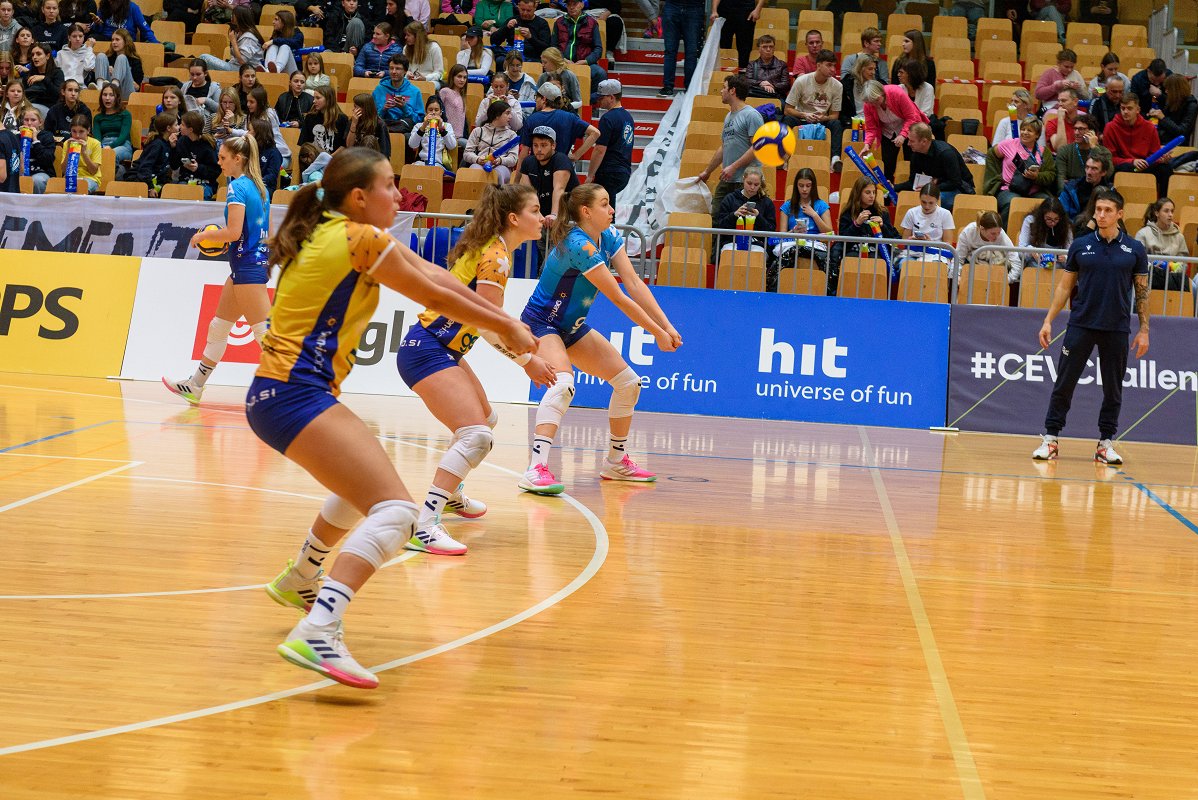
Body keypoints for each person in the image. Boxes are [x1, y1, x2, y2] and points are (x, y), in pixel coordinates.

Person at [252, 148, 535, 689]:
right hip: (293, 394)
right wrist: (509, 328)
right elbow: (431, 292)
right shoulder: (359, 239)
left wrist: (500, 320)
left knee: (359, 488)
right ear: (360, 197)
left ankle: (302, 575)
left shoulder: (335, 231)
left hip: (280, 393)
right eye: (388, 185)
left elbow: (435, 274)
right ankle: (319, 628)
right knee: (398, 513)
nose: (399, 195)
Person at [388, 184, 557, 554]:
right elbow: (487, 324)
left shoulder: (493, 249)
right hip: (427, 348)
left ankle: (450, 496)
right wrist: (527, 362)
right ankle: (425, 524)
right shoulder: (497, 257)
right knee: (476, 436)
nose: (542, 217)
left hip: (442, 347)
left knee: (486, 419)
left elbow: (488, 319)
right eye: (534, 210)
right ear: (514, 219)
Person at [517, 182, 681, 494]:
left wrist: (667, 326)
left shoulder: (608, 236)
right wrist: (657, 333)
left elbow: (634, 283)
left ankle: (615, 462)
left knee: (629, 383)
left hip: (571, 328)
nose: (612, 210)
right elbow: (618, 298)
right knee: (563, 385)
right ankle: (535, 468)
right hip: (541, 324)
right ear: (586, 211)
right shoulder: (579, 245)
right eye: (604, 204)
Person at [1033, 188, 1149, 465]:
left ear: (1120, 214)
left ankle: (1105, 443)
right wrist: (1048, 320)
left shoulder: (1135, 249)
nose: (1102, 215)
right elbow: (1065, 287)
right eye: (1098, 209)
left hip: (1116, 328)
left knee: (1113, 389)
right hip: (1081, 324)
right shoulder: (1080, 245)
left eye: (1108, 210)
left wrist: (1144, 330)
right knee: (1064, 383)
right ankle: (1051, 439)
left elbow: (1142, 293)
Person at [163, 136, 270, 404]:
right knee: (219, 328)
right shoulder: (258, 186)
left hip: (247, 266)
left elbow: (233, 232)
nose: (218, 162)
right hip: (248, 264)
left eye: (223, 158)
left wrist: (204, 236)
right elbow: (246, 231)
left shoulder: (237, 187)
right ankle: (195, 385)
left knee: (266, 337)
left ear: (238, 159)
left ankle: (300, 391)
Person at [698, 74, 763, 215]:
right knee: (716, 218)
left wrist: (733, 167)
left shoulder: (752, 115)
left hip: (746, 181)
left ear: (732, 90)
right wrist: (707, 171)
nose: (721, 91)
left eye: (724, 87)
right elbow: (724, 147)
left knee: (742, 220)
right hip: (728, 178)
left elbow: (757, 147)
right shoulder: (728, 116)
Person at [830, 176, 900, 296]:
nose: (872, 196)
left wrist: (883, 226)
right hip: (853, 250)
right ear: (858, 193)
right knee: (851, 262)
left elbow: (895, 238)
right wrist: (856, 224)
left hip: (876, 251)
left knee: (877, 264)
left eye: (874, 192)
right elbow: (843, 239)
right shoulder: (848, 212)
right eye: (867, 192)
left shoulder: (882, 212)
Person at [983, 114, 1056, 222]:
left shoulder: (1044, 152)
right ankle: (1005, 231)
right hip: (1009, 189)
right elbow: (991, 154)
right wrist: (997, 175)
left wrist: (1037, 176)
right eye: (1023, 129)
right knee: (1013, 203)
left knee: (1049, 205)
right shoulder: (1008, 144)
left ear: (1037, 135)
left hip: (1034, 192)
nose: (1025, 132)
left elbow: (1051, 175)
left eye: (1029, 130)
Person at [771, 166, 831, 290]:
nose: (804, 189)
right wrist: (793, 231)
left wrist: (814, 215)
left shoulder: (821, 205)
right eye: (801, 185)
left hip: (815, 243)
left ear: (813, 186)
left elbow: (830, 232)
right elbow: (782, 235)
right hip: (793, 242)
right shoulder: (787, 206)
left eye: (808, 186)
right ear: (796, 186)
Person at [577, 79, 633, 211]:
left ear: (611, 97)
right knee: (607, 209)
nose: (599, 101)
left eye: (601, 98)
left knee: (604, 212)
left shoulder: (607, 118)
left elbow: (599, 150)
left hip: (609, 172)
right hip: (623, 171)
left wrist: (590, 175)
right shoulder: (628, 117)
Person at [782, 49, 842, 167]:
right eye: (829, 65)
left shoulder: (837, 86)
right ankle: (783, 156)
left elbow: (835, 115)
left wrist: (824, 118)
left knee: (836, 124)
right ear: (818, 65)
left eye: (834, 66)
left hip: (822, 121)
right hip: (802, 118)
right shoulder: (801, 81)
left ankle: (835, 159)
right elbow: (787, 110)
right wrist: (804, 115)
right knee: (788, 120)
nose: (833, 69)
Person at [1104, 92, 1172, 196]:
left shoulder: (1149, 127)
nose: (1125, 112)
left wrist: (1161, 159)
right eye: (1123, 108)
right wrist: (1132, 161)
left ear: (1138, 110)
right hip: (1124, 166)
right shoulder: (1110, 127)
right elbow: (1110, 158)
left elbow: (1154, 153)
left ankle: (1163, 202)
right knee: (1120, 168)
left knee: (1165, 169)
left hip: (1145, 165)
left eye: (1129, 108)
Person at [895, 122, 974, 210]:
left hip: (961, 188)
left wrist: (930, 188)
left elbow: (955, 182)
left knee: (929, 201)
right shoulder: (916, 154)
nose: (908, 144)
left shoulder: (946, 153)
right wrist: (894, 187)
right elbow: (913, 182)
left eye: (912, 141)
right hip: (937, 187)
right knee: (916, 199)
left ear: (924, 141)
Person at [515, 81, 595, 167]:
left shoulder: (531, 119)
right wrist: (576, 155)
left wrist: (518, 175)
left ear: (544, 99)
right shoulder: (570, 117)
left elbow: (524, 153)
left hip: (537, 171)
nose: (535, 100)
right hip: (562, 168)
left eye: (536, 97)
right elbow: (595, 133)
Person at [861, 79, 926, 182]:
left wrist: (903, 135)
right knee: (888, 165)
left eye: (876, 100)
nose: (874, 104)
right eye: (871, 102)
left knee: (912, 162)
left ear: (882, 93)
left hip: (909, 129)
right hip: (888, 133)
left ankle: (912, 187)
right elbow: (871, 128)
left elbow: (911, 117)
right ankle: (889, 189)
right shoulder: (869, 104)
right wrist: (867, 144)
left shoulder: (897, 93)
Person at [518, 125, 576, 224]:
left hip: (567, 213)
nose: (539, 149)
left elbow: (559, 189)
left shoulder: (561, 160)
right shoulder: (528, 162)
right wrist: (537, 216)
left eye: (544, 145)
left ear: (553, 145)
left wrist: (554, 215)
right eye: (535, 145)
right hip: (542, 212)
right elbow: (528, 193)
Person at [713, 164, 774, 253]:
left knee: (757, 254)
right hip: (731, 242)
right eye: (749, 183)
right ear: (743, 180)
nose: (752, 187)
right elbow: (720, 226)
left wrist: (758, 217)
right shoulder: (730, 198)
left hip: (757, 243)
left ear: (760, 184)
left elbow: (771, 230)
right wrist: (734, 215)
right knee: (729, 253)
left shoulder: (767, 202)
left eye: (756, 184)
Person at [1135, 197, 1191, 292]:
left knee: (1193, 288)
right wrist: (1155, 266)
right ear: (1157, 213)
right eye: (1166, 211)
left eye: (1172, 211)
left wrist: (1172, 267)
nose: (1170, 215)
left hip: (1173, 278)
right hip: (1150, 276)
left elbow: (1184, 263)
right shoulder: (1143, 234)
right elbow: (1138, 260)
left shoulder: (1179, 236)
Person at [955, 210, 1022, 289]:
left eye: (999, 232)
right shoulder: (968, 232)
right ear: (982, 229)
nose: (997, 236)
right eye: (993, 233)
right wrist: (957, 277)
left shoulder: (1001, 235)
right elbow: (958, 259)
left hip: (995, 275)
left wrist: (1008, 279)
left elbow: (1016, 261)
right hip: (972, 271)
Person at [899, 184, 955, 271]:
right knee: (904, 266)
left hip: (936, 254)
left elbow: (948, 244)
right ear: (920, 198)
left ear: (937, 200)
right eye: (923, 202)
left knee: (935, 269)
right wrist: (911, 240)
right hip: (913, 252)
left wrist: (931, 243)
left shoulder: (945, 214)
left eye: (931, 203)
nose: (927, 206)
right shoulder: (911, 212)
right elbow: (904, 241)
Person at [554, 0, 605, 90]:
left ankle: (590, 98)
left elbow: (598, 48)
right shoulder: (559, 22)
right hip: (562, 62)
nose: (571, 7)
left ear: (582, 5)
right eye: (569, 4)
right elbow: (553, 47)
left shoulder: (592, 23)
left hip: (585, 63)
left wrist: (586, 61)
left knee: (600, 73)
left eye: (575, 4)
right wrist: (563, 60)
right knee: (547, 71)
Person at [464, 99, 518, 183]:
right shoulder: (478, 131)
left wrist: (500, 160)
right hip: (480, 164)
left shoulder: (512, 135)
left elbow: (513, 159)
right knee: (474, 171)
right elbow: (467, 153)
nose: (510, 117)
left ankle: (498, 192)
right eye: (507, 113)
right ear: (497, 115)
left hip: (502, 166)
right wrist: (477, 159)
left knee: (497, 174)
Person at [657, 0, 702, 97]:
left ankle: (689, 87)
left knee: (691, 52)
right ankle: (668, 86)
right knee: (671, 51)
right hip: (673, 5)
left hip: (693, 6)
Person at [198, 6, 264, 72]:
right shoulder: (239, 32)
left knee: (204, 57)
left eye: (233, 14)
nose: (231, 16)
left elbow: (242, 61)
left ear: (239, 18)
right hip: (235, 65)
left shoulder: (249, 37)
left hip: (246, 70)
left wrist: (233, 41)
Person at [1018, 196, 1073, 275]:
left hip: (1058, 268)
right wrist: (1031, 251)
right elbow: (1021, 250)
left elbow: (1070, 254)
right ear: (1042, 216)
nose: (1052, 223)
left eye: (1056, 219)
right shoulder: (1030, 221)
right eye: (1048, 219)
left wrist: (1065, 258)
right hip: (1034, 266)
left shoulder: (1066, 226)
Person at [171, 110, 220, 198]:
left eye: (182, 125)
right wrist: (173, 148)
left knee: (201, 194)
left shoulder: (208, 144)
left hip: (205, 183)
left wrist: (198, 168)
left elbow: (215, 171)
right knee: (177, 195)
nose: (179, 127)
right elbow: (174, 165)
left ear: (190, 129)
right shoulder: (182, 141)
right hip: (185, 180)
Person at [374, 53, 423, 133]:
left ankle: (387, 131)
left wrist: (405, 108)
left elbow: (419, 120)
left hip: (404, 127)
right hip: (384, 123)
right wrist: (384, 109)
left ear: (405, 71)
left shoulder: (415, 91)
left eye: (398, 69)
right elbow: (372, 116)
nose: (394, 71)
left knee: (406, 125)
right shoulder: (379, 89)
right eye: (391, 68)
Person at [1059, 150, 1112, 221]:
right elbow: (1063, 215)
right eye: (1087, 167)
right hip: (1073, 225)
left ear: (1103, 172)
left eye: (1094, 169)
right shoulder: (1071, 188)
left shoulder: (1110, 192)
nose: (1088, 172)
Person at [709, 0, 761, 71]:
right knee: (723, 46)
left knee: (744, 48)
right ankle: (724, 75)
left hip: (746, 10)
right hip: (725, 10)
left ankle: (742, 75)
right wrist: (714, 10)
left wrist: (758, 9)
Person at [1054, 114, 1101, 191]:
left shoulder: (1103, 152)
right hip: (1071, 192)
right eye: (1075, 129)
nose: (1076, 132)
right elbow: (1060, 182)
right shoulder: (1064, 151)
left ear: (1092, 132)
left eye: (1081, 129)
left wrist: (1094, 148)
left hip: (1094, 191)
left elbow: (1106, 175)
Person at [55, 113, 101, 191]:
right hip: (70, 177)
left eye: (81, 131)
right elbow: (64, 171)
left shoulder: (95, 143)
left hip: (90, 178)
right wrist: (68, 151)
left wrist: (84, 153)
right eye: (74, 131)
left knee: (81, 188)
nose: (77, 136)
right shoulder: (67, 143)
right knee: (56, 189)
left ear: (88, 130)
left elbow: (93, 171)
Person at [300, 84, 350, 155]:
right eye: (314, 98)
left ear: (329, 99)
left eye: (318, 98)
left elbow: (344, 145)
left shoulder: (342, 119)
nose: (314, 101)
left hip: (335, 158)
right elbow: (304, 144)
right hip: (314, 158)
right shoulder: (310, 117)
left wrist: (328, 158)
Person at [1150, 73, 1198, 146]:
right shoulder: (1174, 100)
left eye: (1168, 89)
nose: (1166, 91)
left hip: (1175, 144)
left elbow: (1182, 132)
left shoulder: (1191, 105)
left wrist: (1163, 118)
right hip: (1163, 139)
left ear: (1176, 90)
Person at [94, 27, 141, 100]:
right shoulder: (108, 58)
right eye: (112, 40)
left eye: (117, 40)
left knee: (121, 58)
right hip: (106, 93)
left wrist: (117, 73)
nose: (114, 42)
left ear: (126, 41)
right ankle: (100, 88)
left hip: (126, 92)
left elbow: (137, 87)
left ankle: (113, 88)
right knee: (100, 55)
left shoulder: (135, 60)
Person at [409, 94, 456, 167]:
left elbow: (452, 146)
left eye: (436, 110)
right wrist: (423, 127)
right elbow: (412, 144)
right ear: (426, 112)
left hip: (438, 164)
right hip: (422, 162)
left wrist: (442, 129)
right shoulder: (419, 126)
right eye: (430, 110)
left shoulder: (447, 126)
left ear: (441, 112)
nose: (433, 112)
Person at [92, 80, 131, 165]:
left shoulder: (125, 114)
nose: (107, 98)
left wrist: (110, 147)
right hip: (103, 145)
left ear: (117, 97)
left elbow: (123, 136)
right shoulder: (98, 118)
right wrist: (101, 148)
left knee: (111, 155)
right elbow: (97, 139)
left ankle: (113, 173)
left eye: (111, 95)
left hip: (123, 145)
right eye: (105, 95)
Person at [20, 107, 56, 192]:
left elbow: (48, 160)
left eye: (33, 120)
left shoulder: (47, 136)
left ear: (40, 122)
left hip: (41, 172)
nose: (29, 123)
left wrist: (35, 140)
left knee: (37, 180)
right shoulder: (17, 136)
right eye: (26, 120)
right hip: (21, 171)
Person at [346, 92, 391, 158]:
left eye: (356, 107)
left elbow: (385, 153)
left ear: (365, 108)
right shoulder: (353, 121)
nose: (353, 110)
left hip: (374, 160)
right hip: (355, 159)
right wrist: (354, 124)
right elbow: (349, 146)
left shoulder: (380, 124)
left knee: (369, 139)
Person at [743, 33, 787, 100]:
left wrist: (772, 85)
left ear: (774, 48)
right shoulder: (752, 64)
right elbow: (747, 81)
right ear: (759, 49)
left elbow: (786, 84)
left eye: (771, 46)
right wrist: (761, 83)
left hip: (776, 96)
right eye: (765, 47)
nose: (768, 49)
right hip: (756, 95)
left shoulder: (782, 65)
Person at [22, 43, 63, 114]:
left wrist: (44, 79)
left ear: (47, 56)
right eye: (33, 55)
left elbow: (58, 95)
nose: (34, 57)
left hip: (49, 109)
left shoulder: (57, 73)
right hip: (29, 107)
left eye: (38, 54)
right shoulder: (28, 75)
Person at [90, 0, 157, 41]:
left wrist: (157, 45)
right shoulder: (103, 5)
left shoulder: (132, 7)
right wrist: (98, 24)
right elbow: (98, 30)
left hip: (125, 40)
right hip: (107, 38)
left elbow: (146, 30)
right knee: (92, 38)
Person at [839, 54, 875, 129]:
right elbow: (842, 112)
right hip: (851, 122)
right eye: (870, 69)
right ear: (860, 68)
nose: (873, 72)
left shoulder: (875, 85)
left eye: (874, 69)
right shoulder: (846, 84)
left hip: (870, 122)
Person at [264, 9, 303, 75]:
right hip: (278, 73)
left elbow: (295, 43)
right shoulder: (277, 34)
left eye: (276, 20)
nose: (273, 22)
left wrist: (274, 41)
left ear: (284, 22)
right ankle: (269, 69)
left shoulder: (297, 33)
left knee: (285, 46)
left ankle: (277, 69)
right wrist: (273, 42)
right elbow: (266, 54)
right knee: (273, 46)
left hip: (293, 73)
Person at [1045, 87, 1081, 153]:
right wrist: (1061, 120)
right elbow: (1060, 149)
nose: (1060, 104)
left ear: (1075, 102)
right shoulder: (1052, 123)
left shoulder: (1084, 123)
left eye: (1063, 101)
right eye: (1059, 101)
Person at [439, 62, 469, 138]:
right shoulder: (445, 91)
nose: (462, 80)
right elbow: (438, 110)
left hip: (460, 136)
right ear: (452, 77)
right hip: (446, 135)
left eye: (465, 77)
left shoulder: (462, 95)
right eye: (459, 76)